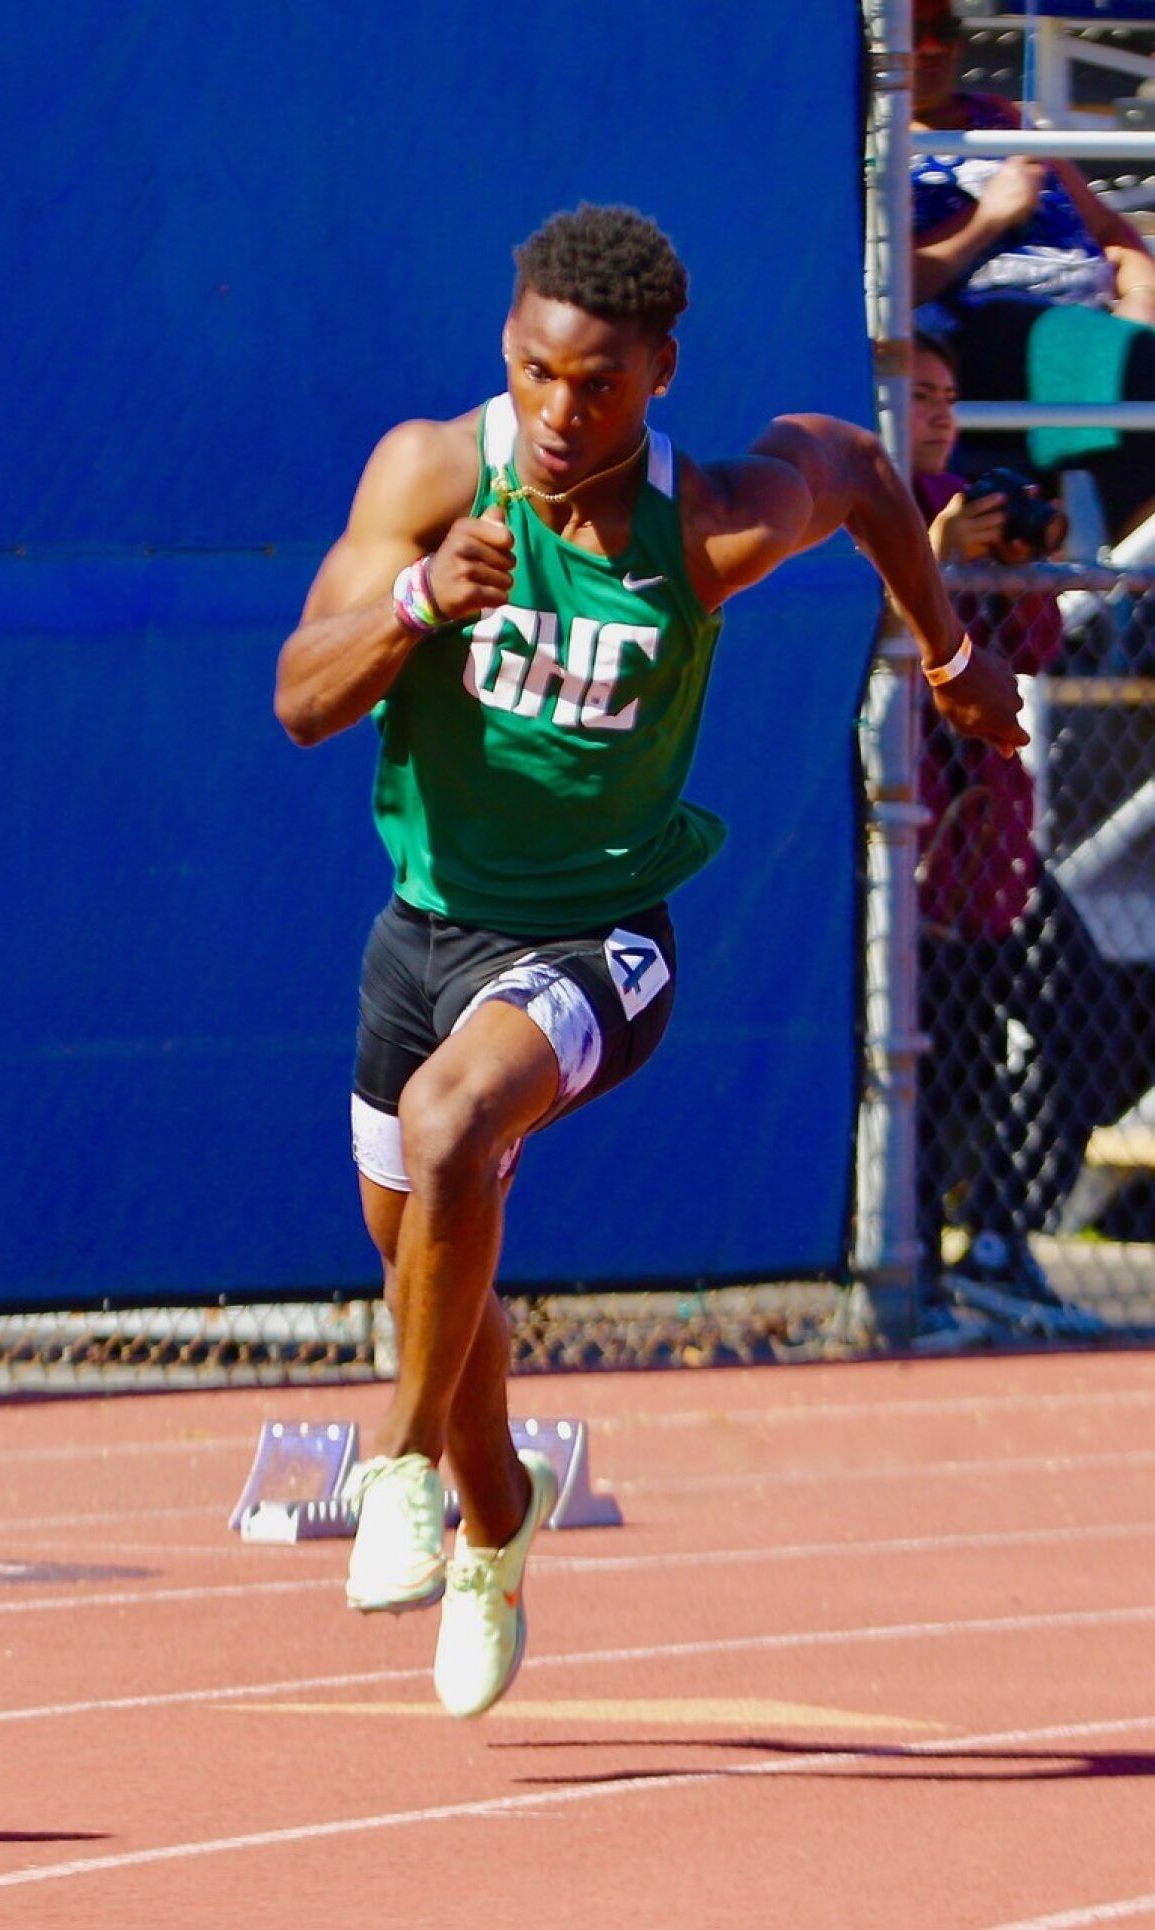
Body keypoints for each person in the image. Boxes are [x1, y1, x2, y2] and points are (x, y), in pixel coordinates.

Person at [274, 204, 1025, 1719]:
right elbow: (300, 696)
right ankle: (496, 1524)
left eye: (600, 386)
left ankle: (403, 1466)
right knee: (430, 1256)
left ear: (662, 372)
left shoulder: (711, 523)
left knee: (452, 1130)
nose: (563, 416)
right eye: (540, 374)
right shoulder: (432, 471)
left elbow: (864, 467)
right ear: (510, 348)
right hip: (422, 932)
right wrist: (423, 603)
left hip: (602, 936)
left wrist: (950, 653)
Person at [910, 331, 1109, 1340]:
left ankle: (997, 1235)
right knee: (940, 1067)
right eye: (919, 395)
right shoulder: (851, 506)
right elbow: (874, 653)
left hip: (998, 854)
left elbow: (1032, 652)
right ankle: (910, 1271)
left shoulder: (969, 492)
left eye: (950, 395)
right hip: (904, 858)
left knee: (1097, 1022)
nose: (940, 412)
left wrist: (1025, 560)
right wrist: (936, 561)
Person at [912, 0, 1155, 539]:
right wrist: (989, 216)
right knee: (1139, 369)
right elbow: (887, 283)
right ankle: (1113, 585)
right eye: (914, 31)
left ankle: (1118, 583)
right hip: (984, 323)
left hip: (1093, 324)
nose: (932, 47)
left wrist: (1140, 294)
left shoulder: (1003, 118)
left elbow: (1112, 231)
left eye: (944, 30)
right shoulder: (870, 142)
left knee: (1136, 359)